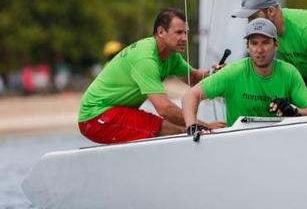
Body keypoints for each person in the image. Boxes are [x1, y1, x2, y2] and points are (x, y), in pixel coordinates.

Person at [78, 8, 224, 144]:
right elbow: (164, 109)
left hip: (115, 112)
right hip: (95, 117)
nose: (185, 38)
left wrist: (216, 74)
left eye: (186, 32)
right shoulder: (146, 59)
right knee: (179, 129)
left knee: (180, 128)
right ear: (161, 32)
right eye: (179, 32)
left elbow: (192, 78)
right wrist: (205, 126)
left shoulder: (171, 56)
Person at [182, 18, 307, 137]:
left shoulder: (289, 73)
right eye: (254, 43)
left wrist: (294, 111)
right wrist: (193, 127)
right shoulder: (233, 72)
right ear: (247, 47)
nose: (259, 50)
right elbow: (190, 95)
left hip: (277, 143)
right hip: (238, 144)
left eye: (265, 42)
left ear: (276, 45)